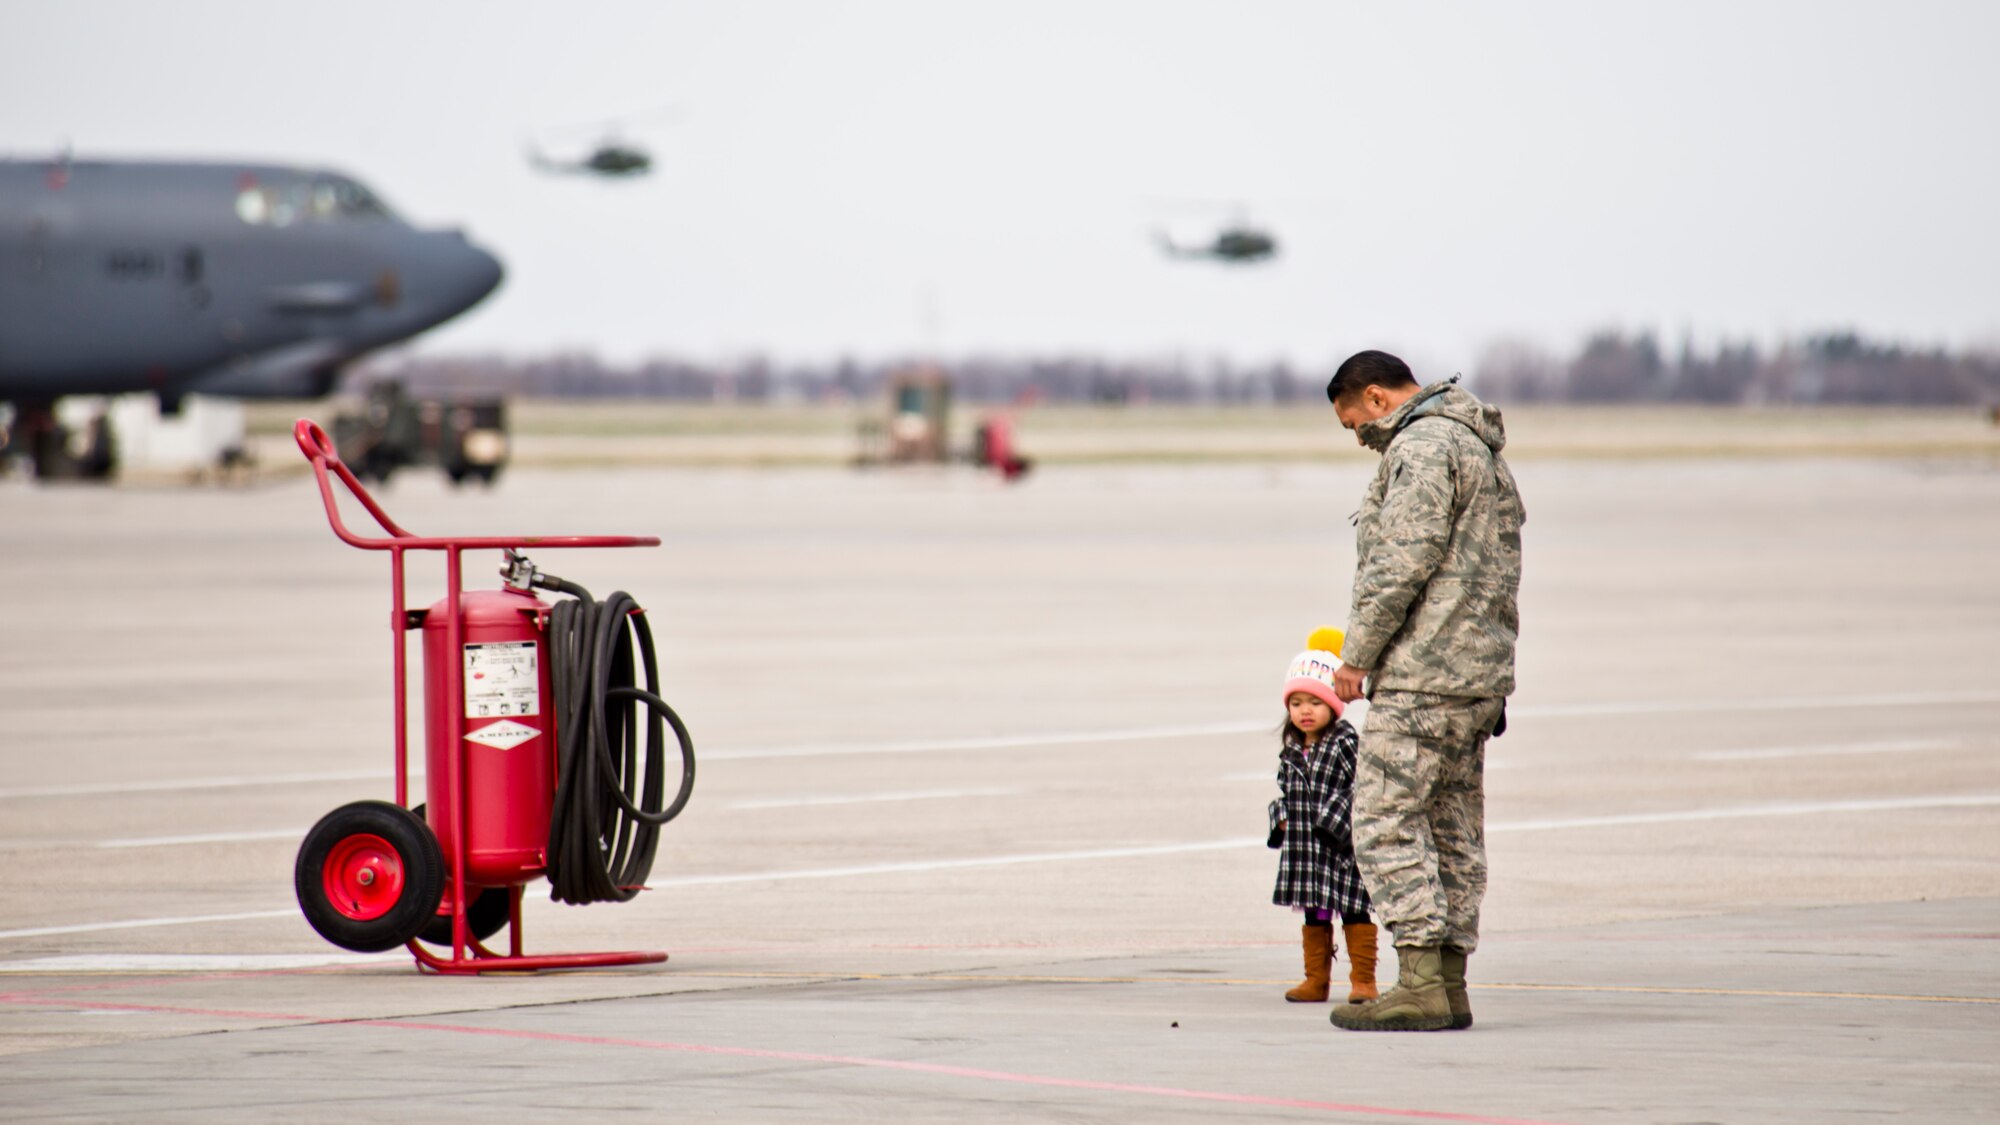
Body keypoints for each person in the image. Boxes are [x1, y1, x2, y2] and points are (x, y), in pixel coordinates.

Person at [1322, 350, 1524, 1033]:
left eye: (1359, 425)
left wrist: (1357, 658)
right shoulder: (1479, 445)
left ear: (1377, 398)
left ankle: (1418, 981)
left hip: (1424, 673)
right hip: (1478, 673)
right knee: (1451, 828)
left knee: (1381, 819)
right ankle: (1448, 981)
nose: (1362, 441)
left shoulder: (1423, 446)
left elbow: (1399, 561)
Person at [1265, 628, 1378, 1005]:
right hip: (1305, 849)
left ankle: (1363, 981)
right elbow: (1285, 792)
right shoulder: (1293, 749)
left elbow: (1363, 786)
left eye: (1313, 702)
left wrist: (1333, 820)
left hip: (1339, 846)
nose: (1304, 711)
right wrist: (1281, 816)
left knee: (1353, 910)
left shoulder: (1345, 741)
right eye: (1296, 703)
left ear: (1333, 704)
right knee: (1315, 913)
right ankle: (1316, 980)